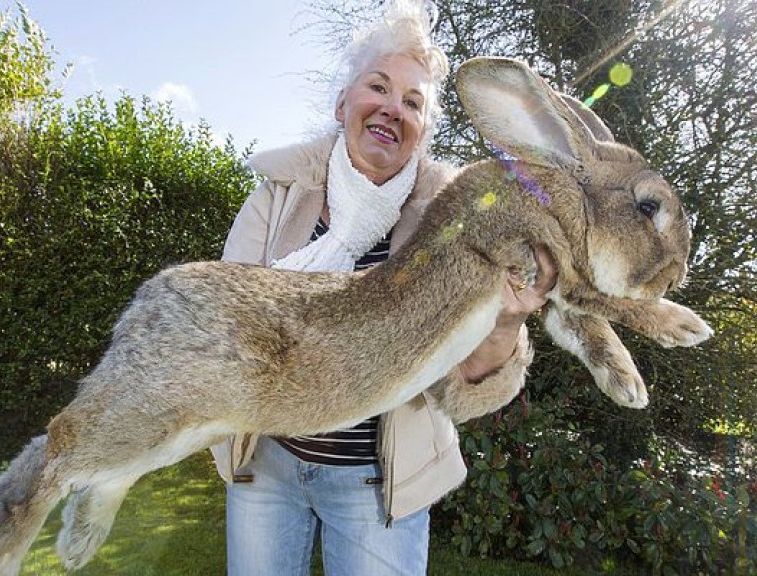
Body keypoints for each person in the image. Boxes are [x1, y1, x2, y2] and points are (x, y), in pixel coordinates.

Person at [210, 1, 557, 574]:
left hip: (378, 486)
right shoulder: (278, 193)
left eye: (413, 102)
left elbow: (463, 386)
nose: (393, 109)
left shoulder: (454, 222)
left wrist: (503, 323)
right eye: (379, 87)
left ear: (422, 130)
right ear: (343, 103)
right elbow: (223, 320)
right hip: (266, 466)